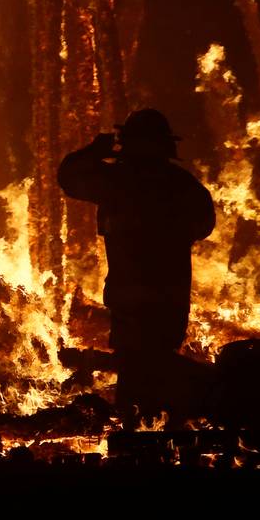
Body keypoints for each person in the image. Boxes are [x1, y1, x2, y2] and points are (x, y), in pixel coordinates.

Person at [57, 108, 215, 415]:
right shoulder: (183, 186)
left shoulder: (117, 181)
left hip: (130, 300)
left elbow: (69, 177)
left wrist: (95, 150)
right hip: (170, 298)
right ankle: (163, 431)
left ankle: (137, 435)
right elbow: (204, 225)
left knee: (136, 369)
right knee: (159, 367)